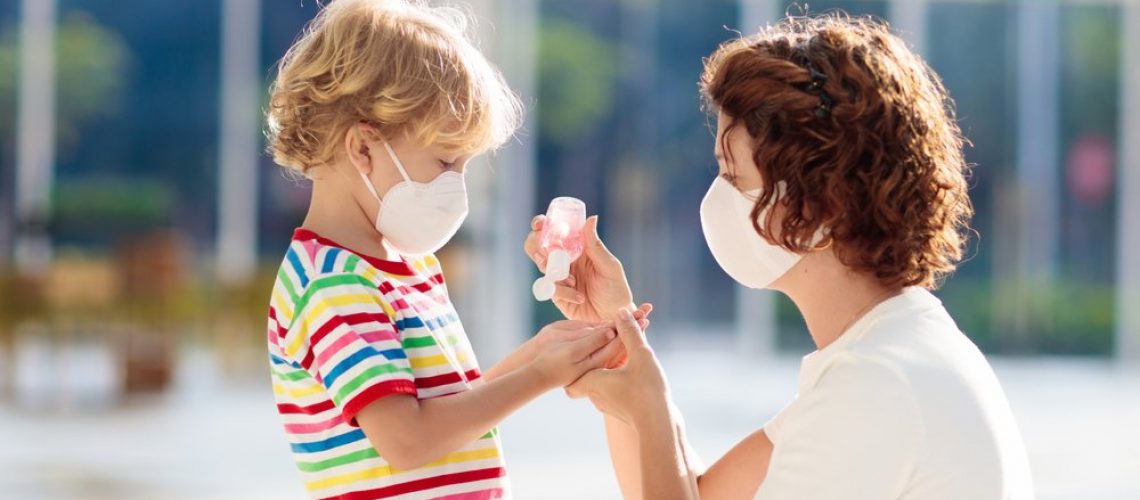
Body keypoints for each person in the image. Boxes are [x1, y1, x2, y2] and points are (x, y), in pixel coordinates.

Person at [532, 13, 1034, 500]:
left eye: (733, 176)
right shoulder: (894, 349)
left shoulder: (875, 385)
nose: (718, 197)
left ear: (819, 204)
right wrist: (618, 337)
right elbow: (695, 494)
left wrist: (649, 408)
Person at [262, 1, 649, 498]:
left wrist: (539, 354)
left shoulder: (407, 267)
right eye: (445, 161)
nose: (457, 188)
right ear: (362, 148)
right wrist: (540, 375)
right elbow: (407, 440)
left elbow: (444, 408)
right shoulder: (332, 284)